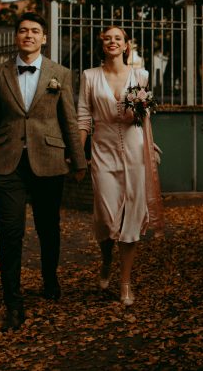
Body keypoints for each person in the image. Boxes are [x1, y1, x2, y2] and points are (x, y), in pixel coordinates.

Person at [0, 12, 87, 332]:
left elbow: (69, 120)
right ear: (16, 37)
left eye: (35, 31)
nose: (29, 35)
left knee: (48, 228)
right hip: (7, 164)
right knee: (10, 233)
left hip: (48, 161)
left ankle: (50, 279)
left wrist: (79, 162)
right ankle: (13, 301)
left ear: (44, 38)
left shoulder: (60, 74)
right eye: (23, 31)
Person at [77, 25, 165, 306]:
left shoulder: (142, 75)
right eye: (107, 38)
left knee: (133, 214)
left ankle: (125, 281)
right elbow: (83, 117)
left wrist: (148, 135)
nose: (112, 42)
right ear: (102, 45)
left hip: (136, 150)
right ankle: (106, 260)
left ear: (126, 45)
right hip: (103, 151)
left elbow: (146, 116)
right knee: (105, 215)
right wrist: (79, 153)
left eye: (118, 38)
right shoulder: (89, 76)